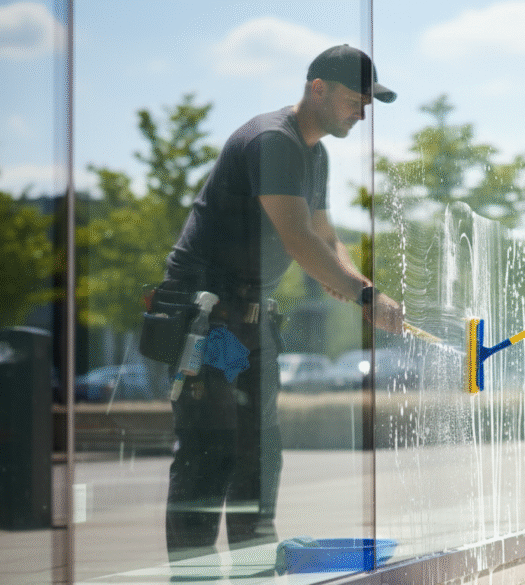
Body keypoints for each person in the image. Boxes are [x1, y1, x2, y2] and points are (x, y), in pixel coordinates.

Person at [155, 45, 403, 564]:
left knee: (260, 459)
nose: (363, 112)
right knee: (209, 458)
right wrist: (364, 295)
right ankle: (191, 579)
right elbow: (298, 239)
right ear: (318, 88)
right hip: (206, 320)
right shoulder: (272, 141)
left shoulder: (315, 153)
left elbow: (325, 236)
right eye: (357, 99)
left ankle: (251, 570)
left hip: (249, 319)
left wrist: (362, 287)